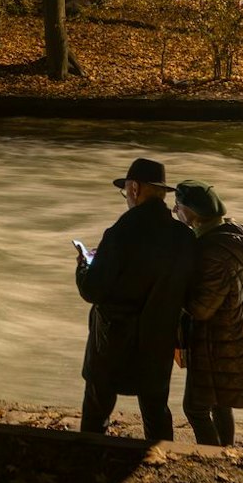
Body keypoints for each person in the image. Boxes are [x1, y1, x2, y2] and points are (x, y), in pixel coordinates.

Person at [76, 157, 194, 441]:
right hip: (158, 336)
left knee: (97, 406)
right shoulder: (183, 237)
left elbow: (93, 289)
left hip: (113, 339)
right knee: (155, 409)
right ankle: (161, 456)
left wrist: (83, 265)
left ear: (134, 189)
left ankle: (87, 453)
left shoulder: (121, 232)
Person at [173, 180, 243, 447]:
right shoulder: (231, 237)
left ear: (193, 213)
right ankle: (226, 451)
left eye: (178, 207)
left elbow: (201, 308)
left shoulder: (213, 253)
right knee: (221, 405)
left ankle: (213, 458)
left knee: (196, 408)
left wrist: (174, 288)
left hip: (215, 343)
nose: (175, 212)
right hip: (234, 335)